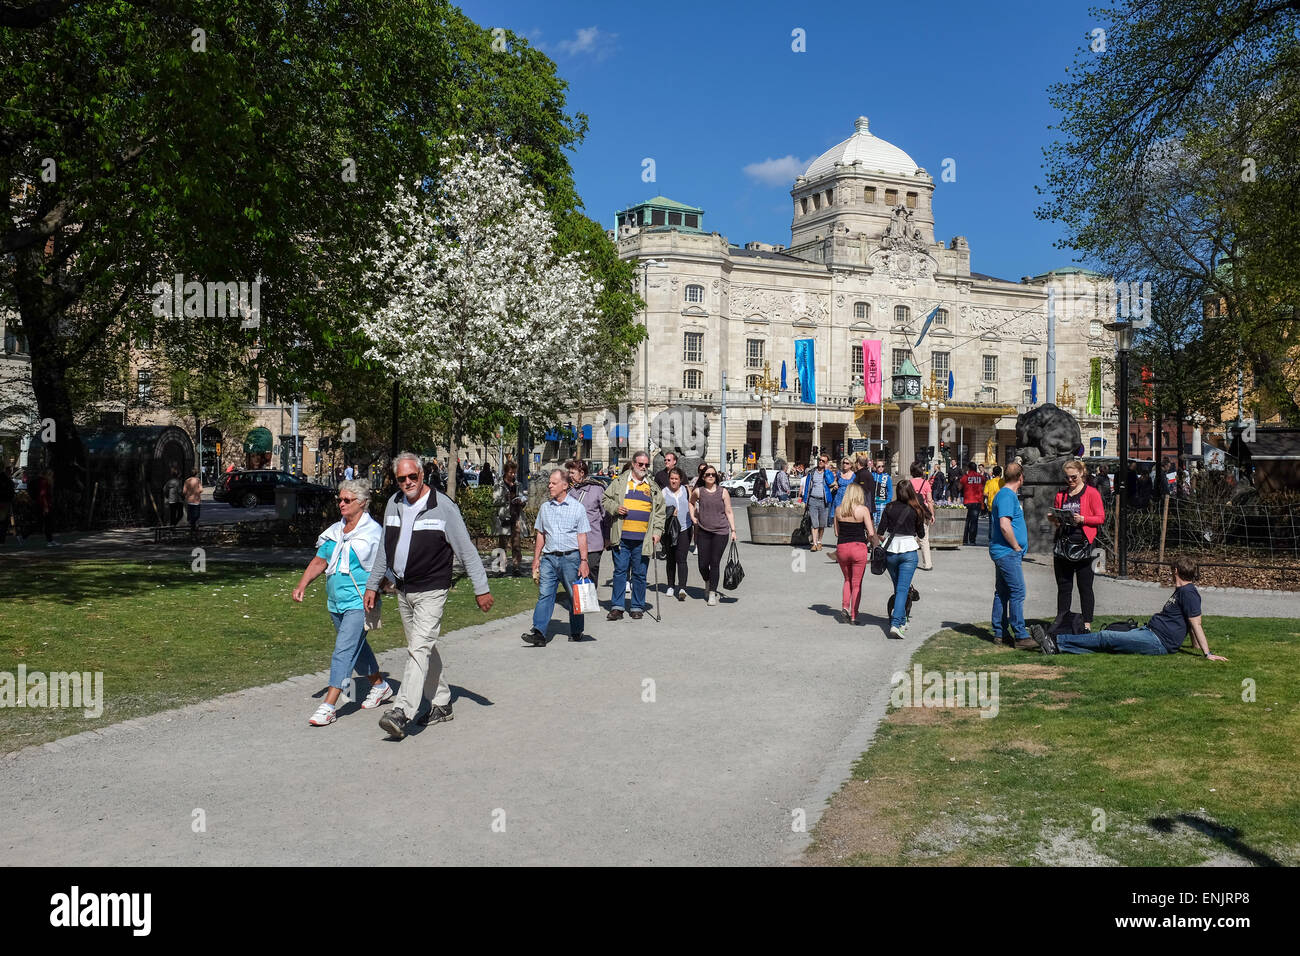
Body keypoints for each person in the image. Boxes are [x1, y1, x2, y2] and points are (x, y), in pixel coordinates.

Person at [364, 452, 493, 740]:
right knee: (423, 647)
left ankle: (401, 711)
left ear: (423, 475)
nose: (408, 482)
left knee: (418, 649)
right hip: (402, 589)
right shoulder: (393, 503)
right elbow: (385, 549)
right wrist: (373, 585)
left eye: (413, 476)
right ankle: (442, 703)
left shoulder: (442, 506)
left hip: (432, 590)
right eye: (402, 478)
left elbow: (466, 550)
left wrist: (481, 588)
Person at [293, 479, 393, 725]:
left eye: (347, 500)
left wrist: (383, 588)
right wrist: (302, 585)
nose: (341, 504)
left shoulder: (373, 533)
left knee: (343, 651)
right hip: (336, 602)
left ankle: (329, 705)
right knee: (357, 648)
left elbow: (382, 566)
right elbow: (320, 561)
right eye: (340, 499)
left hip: (360, 601)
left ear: (362, 503)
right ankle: (380, 686)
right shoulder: (336, 531)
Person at [1035, 558, 1227, 659]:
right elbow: (1190, 620)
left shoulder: (1189, 593)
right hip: (1150, 631)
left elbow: (1196, 623)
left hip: (1158, 642)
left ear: (1176, 570)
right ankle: (1060, 647)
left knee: (1106, 637)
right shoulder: (1182, 591)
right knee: (1110, 642)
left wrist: (1207, 653)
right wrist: (1193, 645)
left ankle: (1055, 642)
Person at [521, 468, 591, 646]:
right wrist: (536, 559)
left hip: (571, 558)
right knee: (545, 594)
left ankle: (576, 630)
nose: (549, 485)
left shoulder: (578, 508)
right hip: (549, 559)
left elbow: (582, 536)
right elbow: (541, 534)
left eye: (553, 483)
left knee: (573, 595)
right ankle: (539, 633)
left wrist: (584, 561)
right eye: (549, 482)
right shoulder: (545, 508)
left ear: (565, 485)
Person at [602, 450, 664, 620]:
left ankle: (637, 606)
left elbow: (660, 511)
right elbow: (605, 499)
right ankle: (617, 607)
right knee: (620, 572)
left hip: (643, 539)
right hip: (622, 537)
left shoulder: (652, 486)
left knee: (640, 574)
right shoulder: (620, 482)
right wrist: (615, 508)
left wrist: (658, 532)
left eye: (646, 465)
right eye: (640, 464)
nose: (643, 467)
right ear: (633, 463)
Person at [1048, 458, 1105, 631]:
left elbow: (1100, 517)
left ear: (1082, 473)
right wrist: (1054, 519)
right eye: (1067, 478)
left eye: (1073, 477)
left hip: (1085, 546)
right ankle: (1062, 621)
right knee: (1064, 587)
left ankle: (1086, 624)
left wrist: (1084, 519)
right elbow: (1059, 522)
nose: (1070, 481)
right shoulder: (1061, 495)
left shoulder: (1092, 493)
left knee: (1085, 587)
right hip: (1064, 546)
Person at [988, 462, 1034, 649]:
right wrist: (1016, 546)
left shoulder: (1005, 494)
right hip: (1007, 552)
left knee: (1003, 592)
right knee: (1018, 591)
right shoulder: (1007, 495)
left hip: (1003, 551)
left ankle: (1000, 632)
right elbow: (1005, 526)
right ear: (1021, 477)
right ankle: (1021, 635)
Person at [877, 479, 926, 639]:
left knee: (899, 588)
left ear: (897, 492)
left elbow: (880, 531)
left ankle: (901, 620)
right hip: (909, 550)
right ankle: (897, 623)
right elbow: (921, 534)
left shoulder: (889, 507)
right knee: (902, 590)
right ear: (911, 492)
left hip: (891, 549)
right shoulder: (915, 509)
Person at [689, 463, 736, 606]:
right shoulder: (698, 491)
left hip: (721, 532)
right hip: (703, 531)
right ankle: (708, 581)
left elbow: (728, 511)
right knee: (703, 564)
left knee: (715, 563)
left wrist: (733, 530)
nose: (710, 476)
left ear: (716, 477)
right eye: (708, 474)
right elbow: (691, 503)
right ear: (703, 477)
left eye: (713, 475)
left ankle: (712, 593)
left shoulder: (723, 492)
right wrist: (693, 517)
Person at [833, 483, 877, 625]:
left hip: (842, 547)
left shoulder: (838, 510)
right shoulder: (863, 510)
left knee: (847, 579)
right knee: (856, 583)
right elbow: (871, 533)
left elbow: (836, 532)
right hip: (858, 547)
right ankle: (853, 615)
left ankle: (845, 606)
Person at [567, 458, 607, 585]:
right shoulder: (570, 491)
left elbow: (605, 514)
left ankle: (590, 599)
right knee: (575, 573)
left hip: (593, 540)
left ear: (582, 473)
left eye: (573, 473)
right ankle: (577, 602)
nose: (570, 476)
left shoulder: (597, 489)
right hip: (574, 541)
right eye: (569, 472)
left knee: (591, 572)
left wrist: (607, 537)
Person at [661, 466, 693, 601]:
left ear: (680, 480)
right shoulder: (664, 492)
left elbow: (693, 505)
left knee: (682, 558)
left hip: (684, 528)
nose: (674, 481)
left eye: (676, 479)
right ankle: (670, 585)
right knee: (671, 558)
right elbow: (659, 511)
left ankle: (682, 588)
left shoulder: (686, 490)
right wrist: (669, 512)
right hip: (669, 530)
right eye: (672, 479)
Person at [492, 461, 526, 576]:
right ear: (506, 472)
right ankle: (501, 568)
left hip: (516, 516)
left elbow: (522, 497)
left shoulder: (518, 484)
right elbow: (494, 501)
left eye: (514, 473)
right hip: (504, 517)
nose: (513, 475)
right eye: (511, 472)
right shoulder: (499, 485)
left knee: (516, 543)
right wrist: (505, 498)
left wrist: (521, 502)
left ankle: (516, 567)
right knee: (503, 544)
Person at [802, 454, 835, 551]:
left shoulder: (827, 473)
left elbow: (830, 482)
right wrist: (805, 501)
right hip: (813, 500)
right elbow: (807, 487)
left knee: (822, 524)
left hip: (824, 501)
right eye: (820, 460)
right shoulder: (812, 472)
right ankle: (814, 543)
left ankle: (820, 541)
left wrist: (827, 471)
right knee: (814, 523)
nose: (820, 462)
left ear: (826, 463)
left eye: (823, 461)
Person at [909, 462, 936, 571]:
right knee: (924, 539)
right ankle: (927, 563)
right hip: (922, 512)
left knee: (911, 538)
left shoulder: (908, 483)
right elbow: (929, 501)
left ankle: (910, 561)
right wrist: (932, 514)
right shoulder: (926, 483)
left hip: (910, 511)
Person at [961, 461, 986, 545]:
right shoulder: (981, 477)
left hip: (967, 501)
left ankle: (964, 540)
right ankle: (972, 540)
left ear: (969, 468)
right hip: (977, 501)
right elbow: (983, 486)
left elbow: (959, 486)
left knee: (966, 521)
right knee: (974, 522)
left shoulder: (966, 477)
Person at [33, 469, 57, 546]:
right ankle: (49, 540)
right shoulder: (44, 482)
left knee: (46, 523)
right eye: (51, 474)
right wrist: (45, 506)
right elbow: (43, 495)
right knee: (47, 523)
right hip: (45, 505)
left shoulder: (47, 482)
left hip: (46, 505)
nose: (52, 476)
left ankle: (50, 540)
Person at [870, 459, 893, 528]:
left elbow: (890, 490)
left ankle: (878, 537)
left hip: (882, 503)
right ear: (875, 467)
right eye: (879, 466)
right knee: (871, 524)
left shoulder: (886, 477)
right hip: (872, 503)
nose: (881, 468)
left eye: (882, 466)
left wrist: (887, 501)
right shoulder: (871, 475)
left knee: (880, 525)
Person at [183, 470, 202, 537]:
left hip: (189, 500)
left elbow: (184, 491)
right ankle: (193, 527)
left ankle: (192, 527)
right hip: (196, 500)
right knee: (196, 515)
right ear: (196, 474)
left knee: (191, 515)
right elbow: (201, 490)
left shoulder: (187, 481)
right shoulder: (197, 480)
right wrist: (197, 491)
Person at [0, 465, 13, 545]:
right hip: (4, 502)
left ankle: (2, 538)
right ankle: (1, 539)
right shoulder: (6, 480)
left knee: (3, 521)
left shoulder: (5, 479)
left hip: (4, 501)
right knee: (3, 521)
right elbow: (9, 491)